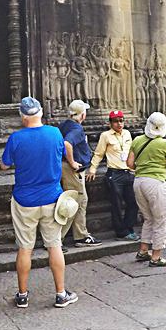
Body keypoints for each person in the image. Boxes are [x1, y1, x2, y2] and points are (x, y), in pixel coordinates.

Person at [0, 97, 78, 308]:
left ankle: (22, 295)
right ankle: (61, 294)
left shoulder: (16, 138)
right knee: (54, 245)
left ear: (22, 116)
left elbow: (5, 165)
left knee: (25, 248)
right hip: (52, 198)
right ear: (41, 113)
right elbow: (64, 152)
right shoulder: (55, 133)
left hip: (25, 200)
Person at [128, 112, 166, 266]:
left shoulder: (137, 140)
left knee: (148, 218)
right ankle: (156, 256)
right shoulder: (163, 143)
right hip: (156, 182)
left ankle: (143, 250)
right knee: (161, 219)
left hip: (139, 181)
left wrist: (144, 166)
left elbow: (130, 163)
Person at [88, 110, 138, 240]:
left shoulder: (127, 133)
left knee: (133, 202)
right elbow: (99, 153)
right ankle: (121, 232)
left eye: (121, 121)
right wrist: (93, 169)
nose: (119, 124)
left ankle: (128, 227)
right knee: (116, 204)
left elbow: (132, 152)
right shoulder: (105, 136)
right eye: (116, 121)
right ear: (110, 123)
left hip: (128, 172)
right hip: (114, 173)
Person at [58, 99, 99, 247]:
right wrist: (73, 162)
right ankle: (59, 240)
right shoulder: (76, 129)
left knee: (77, 201)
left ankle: (79, 235)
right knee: (74, 202)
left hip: (64, 168)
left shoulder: (64, 125)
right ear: (82, 115)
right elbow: (67, 144)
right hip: (72, 170)